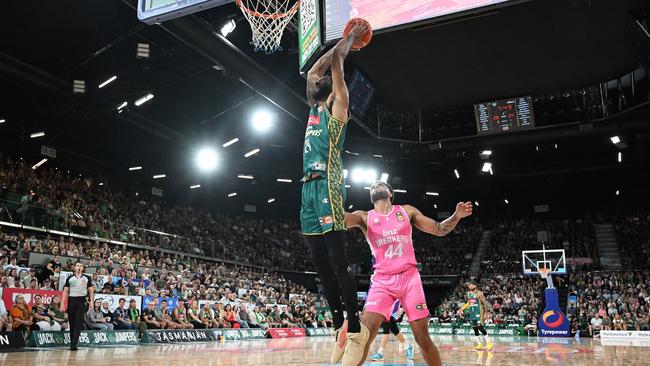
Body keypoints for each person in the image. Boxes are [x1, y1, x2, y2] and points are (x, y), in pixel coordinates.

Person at [301, 20, 371, 366]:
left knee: (337, 260)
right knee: (319, 264)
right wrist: (340, 45)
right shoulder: (313, 108)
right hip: (306, 189)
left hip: (328, 182)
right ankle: (338, 327)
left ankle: (356, 329)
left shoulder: (337, 105)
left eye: (323, 82)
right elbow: (315, 68)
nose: (316, 79)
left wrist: (347, 43)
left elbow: (337, 71)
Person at [345, 180, 473, 366]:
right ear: (371, 196)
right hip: (382, 281)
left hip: (409, 278)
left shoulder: (406, 211)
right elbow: (339, 220)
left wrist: (456, 215)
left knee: (423, 339)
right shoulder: (364, 217)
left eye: (381, 184)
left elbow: (439, 229)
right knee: (363, 338)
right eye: (372, 186)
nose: (376, 185)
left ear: (390, 193)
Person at [62, 261, 94, 350]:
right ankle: (72, 342)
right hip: (72, 300)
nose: (79, 267)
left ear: (82, 268)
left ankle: (74, 344)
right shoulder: (70, 278)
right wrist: (62, 304)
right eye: (77, 265)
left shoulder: (87, 278)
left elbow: (91, 290)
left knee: (78, 322)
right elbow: (65, 291)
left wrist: (91, 302)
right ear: (75, 267)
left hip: (82, 300)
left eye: (81, 266)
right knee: (72, 322)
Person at [459, 281, 493, 351]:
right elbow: (469, 302)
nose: (470, 286)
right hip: (472, 312)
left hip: (479, 312)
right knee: (475, 328)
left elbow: (485, 303)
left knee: (480, 327)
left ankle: (489, 343)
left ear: (475, 286)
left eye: (472, 285)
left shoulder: (479, 293)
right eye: (469, 285)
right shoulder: (469, 293)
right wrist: (462, 308)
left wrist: (486, 313)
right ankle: (479, 343)